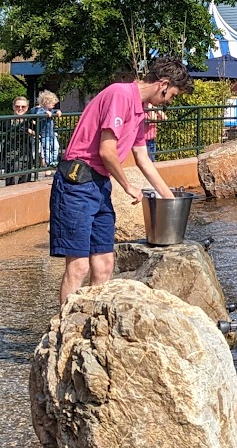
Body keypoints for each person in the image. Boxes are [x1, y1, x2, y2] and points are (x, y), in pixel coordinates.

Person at [50, 56, 194, 305]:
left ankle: (92, 319)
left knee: (105, 264)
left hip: (99, 185)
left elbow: (142, 158)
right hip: (77, 183)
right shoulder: (120, 94)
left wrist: (170, 200)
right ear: (163, 84)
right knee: (79, 266)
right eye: (172, 95)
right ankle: (65, 323)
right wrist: (128, 186)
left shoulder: (139, 110)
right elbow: (107, 151)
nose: (170, 101)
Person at [34, 90, 61, 168]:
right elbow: (38, 114)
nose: (54, 104)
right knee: (47, 149)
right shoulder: (41, 110)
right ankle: (49, 162)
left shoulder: (51, 110)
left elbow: (55, 111)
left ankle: (54, 160)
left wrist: (58, 111)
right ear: (46, 102)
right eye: (52, 102)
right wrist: (45, 113)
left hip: (52, 134)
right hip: (45, 135)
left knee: (56, 147)